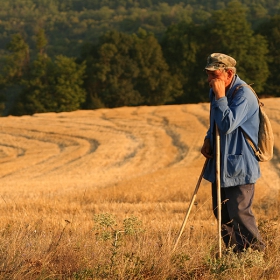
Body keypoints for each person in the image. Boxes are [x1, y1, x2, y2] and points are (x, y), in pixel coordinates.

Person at [201, 53, 265, 253]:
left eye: (214, 74)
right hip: (221, 164)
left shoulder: (243, 94)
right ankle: (232, 255)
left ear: (229, 73)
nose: (210, 79)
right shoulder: (216, 90)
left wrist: (220, 97)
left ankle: (255, 254)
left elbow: (227, 124)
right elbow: (216, 122)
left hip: (240, 165)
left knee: (240, 213)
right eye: (208, 74)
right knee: (221, 212)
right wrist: (208, 138)